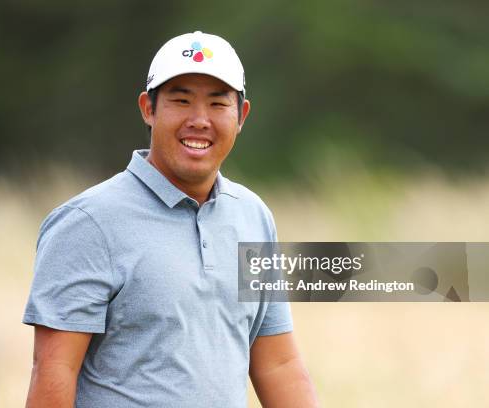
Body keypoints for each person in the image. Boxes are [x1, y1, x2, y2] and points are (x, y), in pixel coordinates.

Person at [22, 31, 319, 408]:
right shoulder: (87, 223)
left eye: (217, 104)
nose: (199, 120)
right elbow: (53, 371)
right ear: (148, 108)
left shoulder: (253, 216)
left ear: (241, 115)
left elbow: (279, 364)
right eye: (181, 101)